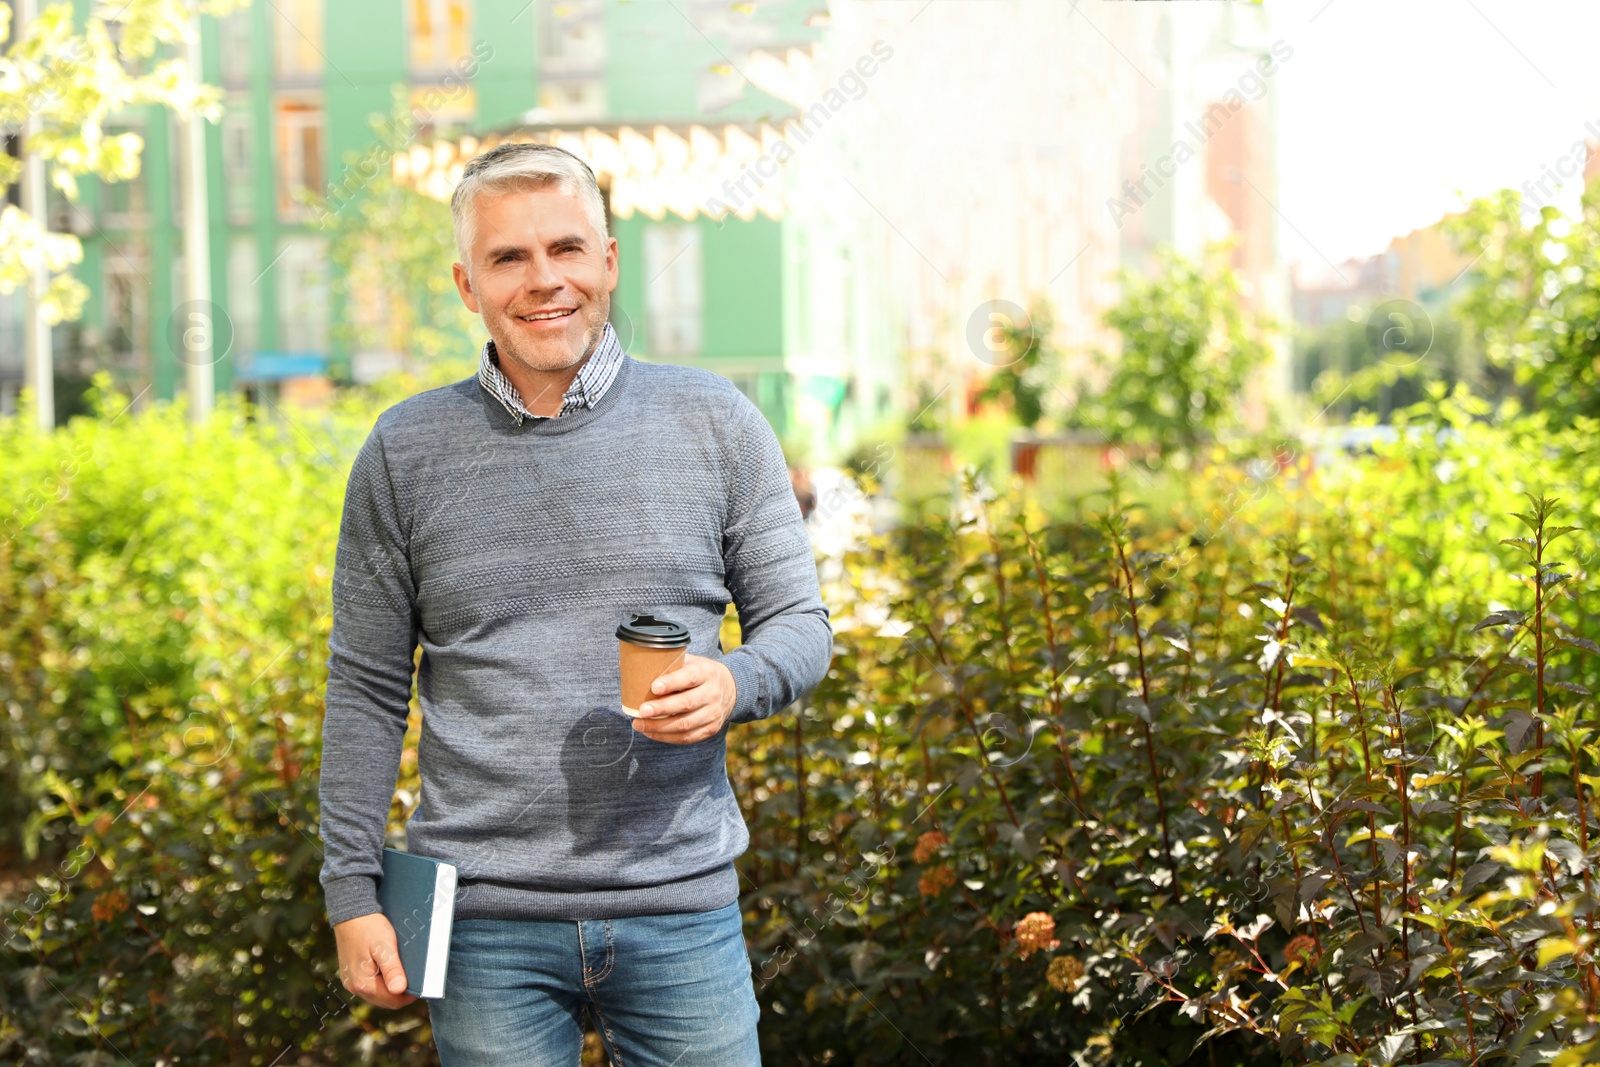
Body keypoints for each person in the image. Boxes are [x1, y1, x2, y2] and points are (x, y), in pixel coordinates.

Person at [318, 141, 832, 1065]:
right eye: (508, 257)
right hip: (482, 921)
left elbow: (802, 627)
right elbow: (364, 688)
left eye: (565, 248)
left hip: (679, 904)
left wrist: (732, 680)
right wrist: (353, 894)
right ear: (467, 283)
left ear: (608, 261)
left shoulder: (716, 423)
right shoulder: (403, 451)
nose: (543, 279)